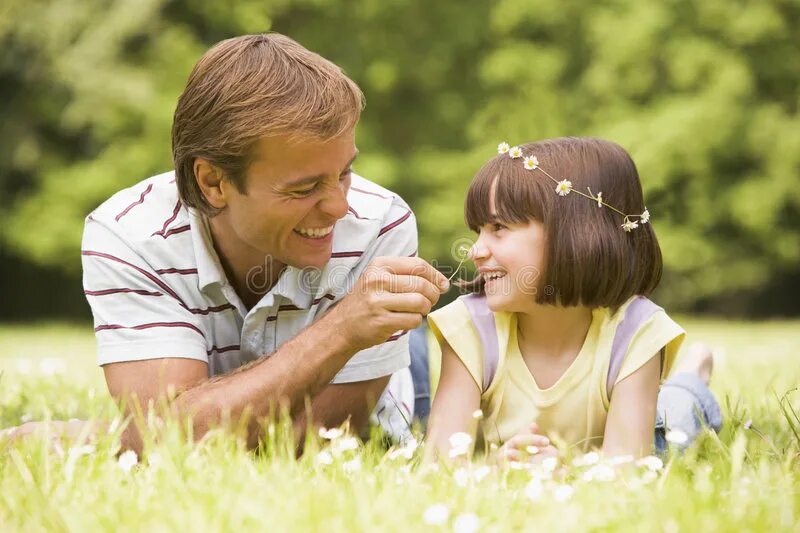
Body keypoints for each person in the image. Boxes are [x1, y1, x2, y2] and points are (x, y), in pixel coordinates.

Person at [3, 33, 449, 453]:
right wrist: (341, 330)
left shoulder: (381, 222)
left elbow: (322, 440)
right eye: (304, 187)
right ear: (214, 182)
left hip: (402, 385)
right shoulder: (129, 237)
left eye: (344, 172)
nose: (338, 207)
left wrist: (105, 438)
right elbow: (172, 440)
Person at [422, 137, 721, 462]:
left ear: (575, 233)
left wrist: (565, 472)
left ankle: (692, 376)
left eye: (498, 227)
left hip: (637, 435)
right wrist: (496, 468)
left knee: (674, 422)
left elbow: (625, 471)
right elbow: (441, 463)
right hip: (542, 459)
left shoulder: (635, 331)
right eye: (477, 231)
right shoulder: (470, 328)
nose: (476, 250)